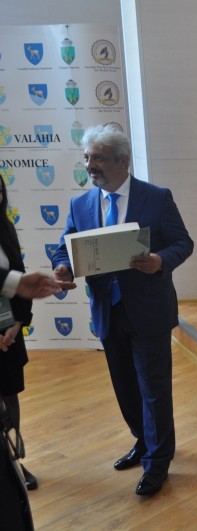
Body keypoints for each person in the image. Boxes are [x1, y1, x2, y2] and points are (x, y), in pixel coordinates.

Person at [51, 124, 194, 496]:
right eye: (87, 157)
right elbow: (64, 246)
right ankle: (143, 441)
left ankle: (157, 462)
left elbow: (183, 243)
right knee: (126, 387)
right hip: (107, 311)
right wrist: (63, 266)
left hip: (149, 310)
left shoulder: (157, 198)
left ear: (123, 161)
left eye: (98, 158)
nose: (90, 165)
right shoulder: (81, 204)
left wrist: (159, 260)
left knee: (153, 388)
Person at [0, 176, 39, 492]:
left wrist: (18, 324)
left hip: (8, 331)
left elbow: (20, 278)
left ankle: (13, 462)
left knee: (9, 394)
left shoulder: (6, 228)